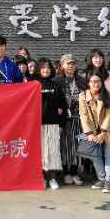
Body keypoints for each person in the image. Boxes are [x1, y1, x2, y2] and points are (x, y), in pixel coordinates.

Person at [80, 74, 110, 194]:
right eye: (93, 81)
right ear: (88, 83)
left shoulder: (107, 94)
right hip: (93, 130)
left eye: (98, 81)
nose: (96, 84)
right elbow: (83, 116)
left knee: (109, 155)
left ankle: (109, 181)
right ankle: (102, 179)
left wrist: (103, 132)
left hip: (109, 129)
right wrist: (89, 133)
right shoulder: (83, 96)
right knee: (95, 156)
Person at [53, 54, 87, 185]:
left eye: (73, 63)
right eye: (68, 63)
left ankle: (74, 172)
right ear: (62, 66)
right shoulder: (56, 81)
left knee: (77, 145)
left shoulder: (81, 80)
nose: (71, 66)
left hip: (78, 118)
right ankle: (66, 172)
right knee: (64, 146)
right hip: (63, 119)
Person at [35, 58, 66, 189]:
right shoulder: (33, 85)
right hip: (37, 125)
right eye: (43, 68)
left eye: (48, 68)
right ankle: (41, 178)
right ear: (38, 69)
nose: (46, 70)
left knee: (52, 152)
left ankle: (52, 178)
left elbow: (62, 106)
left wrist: (61, 124)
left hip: (53, 124)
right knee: (40, 153)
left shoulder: (55, 85)